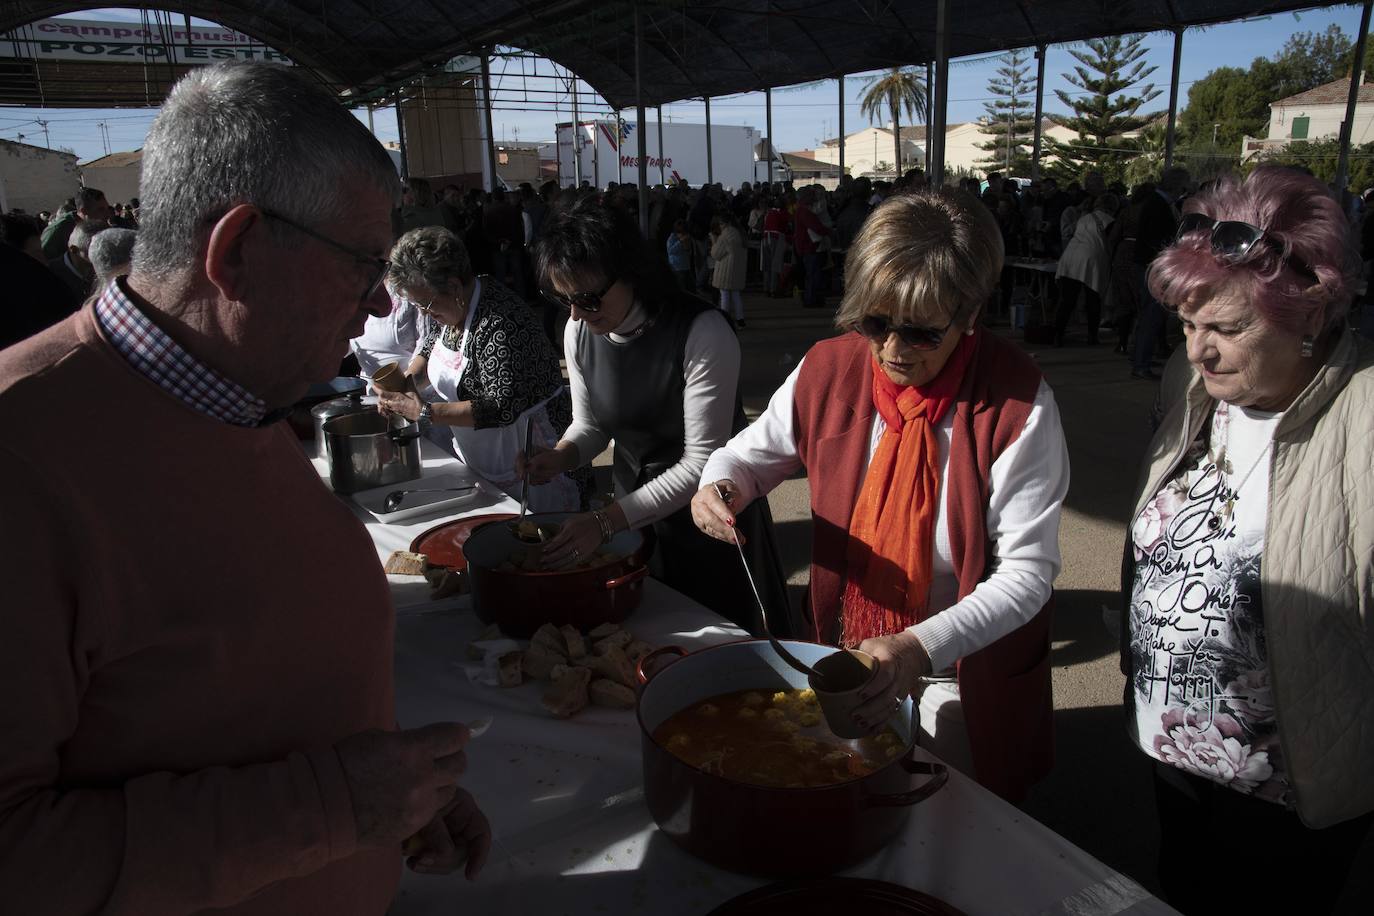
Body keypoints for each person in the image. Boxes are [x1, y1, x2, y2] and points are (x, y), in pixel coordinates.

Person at [0, 62, 490, 915]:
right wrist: (335, 807)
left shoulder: (233, 393)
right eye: (362, 267)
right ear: (238, 251)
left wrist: (397, 796)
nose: (379, 306)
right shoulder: (21, 460)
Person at [692, 189, 1070, 801]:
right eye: (875, 322)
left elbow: (1027, 575)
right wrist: (722, 485)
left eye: (922, 333)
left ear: (969, 314)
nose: (892, 351)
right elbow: (744, 455)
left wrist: (919, 647)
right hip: (851, 650)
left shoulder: (1017, 402)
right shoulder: (830, 368)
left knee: (951, 821)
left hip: (958, 668)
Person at [1121, 167, 1373, 914]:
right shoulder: (1192, 384)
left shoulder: (1366, 418)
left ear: (1311, 312)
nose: (1199, 350)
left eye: (1228, 329)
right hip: (1173, 745)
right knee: (1185, 890)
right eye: (1188, 324)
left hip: (1289, 782)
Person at [523, 200, 794, 632]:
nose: (575, 313)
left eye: (588, 298)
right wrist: (559, 456)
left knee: (722, 649)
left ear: (631, 271)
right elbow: (591, 425)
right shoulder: (579, 330)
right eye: (561, 299)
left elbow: (700, 462)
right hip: (631, 512)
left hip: (708, 516)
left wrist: (604, 522)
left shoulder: (702, 331)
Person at [377, 225, 579, 511]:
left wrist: (425, 412)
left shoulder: (502, 322)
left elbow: (501, 407)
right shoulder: (450, 308)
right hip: (483, 456)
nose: (423, 312)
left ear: (455, 286)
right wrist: (404, 388)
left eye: (426, 304)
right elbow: (429, 347)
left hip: (532, 458)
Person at [1131, 166, 1191, 379]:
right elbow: (1154, 239)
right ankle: (1141, 363)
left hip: (1149, 265)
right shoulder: (1157, 204)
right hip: (1151, 266)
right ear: (1176, 185)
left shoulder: (1160, 203)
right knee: (1151, 315)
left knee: (1150, 315)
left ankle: (1141, 357)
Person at [1053, 193, 1119, 345]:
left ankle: (1058, 335)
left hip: (1070, 256)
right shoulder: (1109, 220)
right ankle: (1092, 336)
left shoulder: (1084, 218)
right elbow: (1111, 242)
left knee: (1067, 300)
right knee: (1093, 299)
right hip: (1091, 259)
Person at [40, 186, 111, 259]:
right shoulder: (57, 231)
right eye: (101, 210)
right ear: (84, 211)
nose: (108, 214)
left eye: (107, 208)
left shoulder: (100, 226)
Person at [47, 218, 107, 300]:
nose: (104, 254)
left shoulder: (108, 269)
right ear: (74, 250)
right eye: (95, 249)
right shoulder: (50, 275)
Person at [794, 185, 831, 308]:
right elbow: (816, 227)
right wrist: (829, 231)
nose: (814, 197)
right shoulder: (805, 211)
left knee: (812, 274)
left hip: (806, 246)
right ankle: (811, 299)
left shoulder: (801, 209)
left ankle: (811, 298)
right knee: (813, 274)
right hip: (810, 246)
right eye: (812, 195)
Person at [709, 215, 748, 326]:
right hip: (737, 270)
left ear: (726, 223)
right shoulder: (740, 233)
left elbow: (715, 254)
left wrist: (713, 240)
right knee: (736, 295)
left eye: (721, 224)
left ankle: (725, 320)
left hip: (726, 270)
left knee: (724, 295)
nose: (720, 227)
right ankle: (740, 320)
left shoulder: (726, 235)